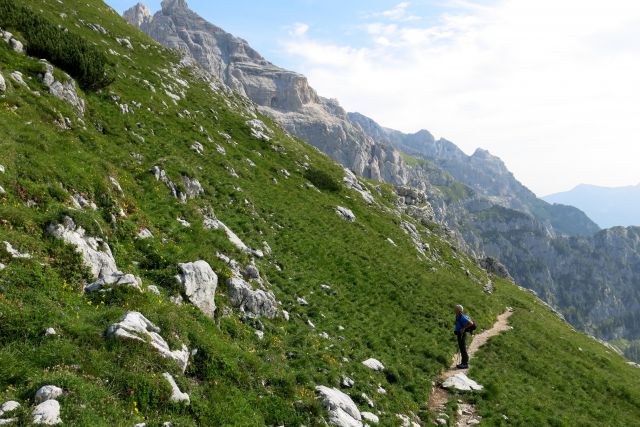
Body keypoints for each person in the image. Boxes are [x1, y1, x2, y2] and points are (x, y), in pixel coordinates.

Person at [453, 304, 471, 369]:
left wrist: (463, 328)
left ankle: (465, 364)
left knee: (463, 348)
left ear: (459, 310)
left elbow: (470, 323)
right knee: (461, 348)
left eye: (456, 309)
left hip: (462, 334)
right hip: (459, 333)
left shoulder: (462, 317)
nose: (454, 310)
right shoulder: (457, 316)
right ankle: (463, 363)